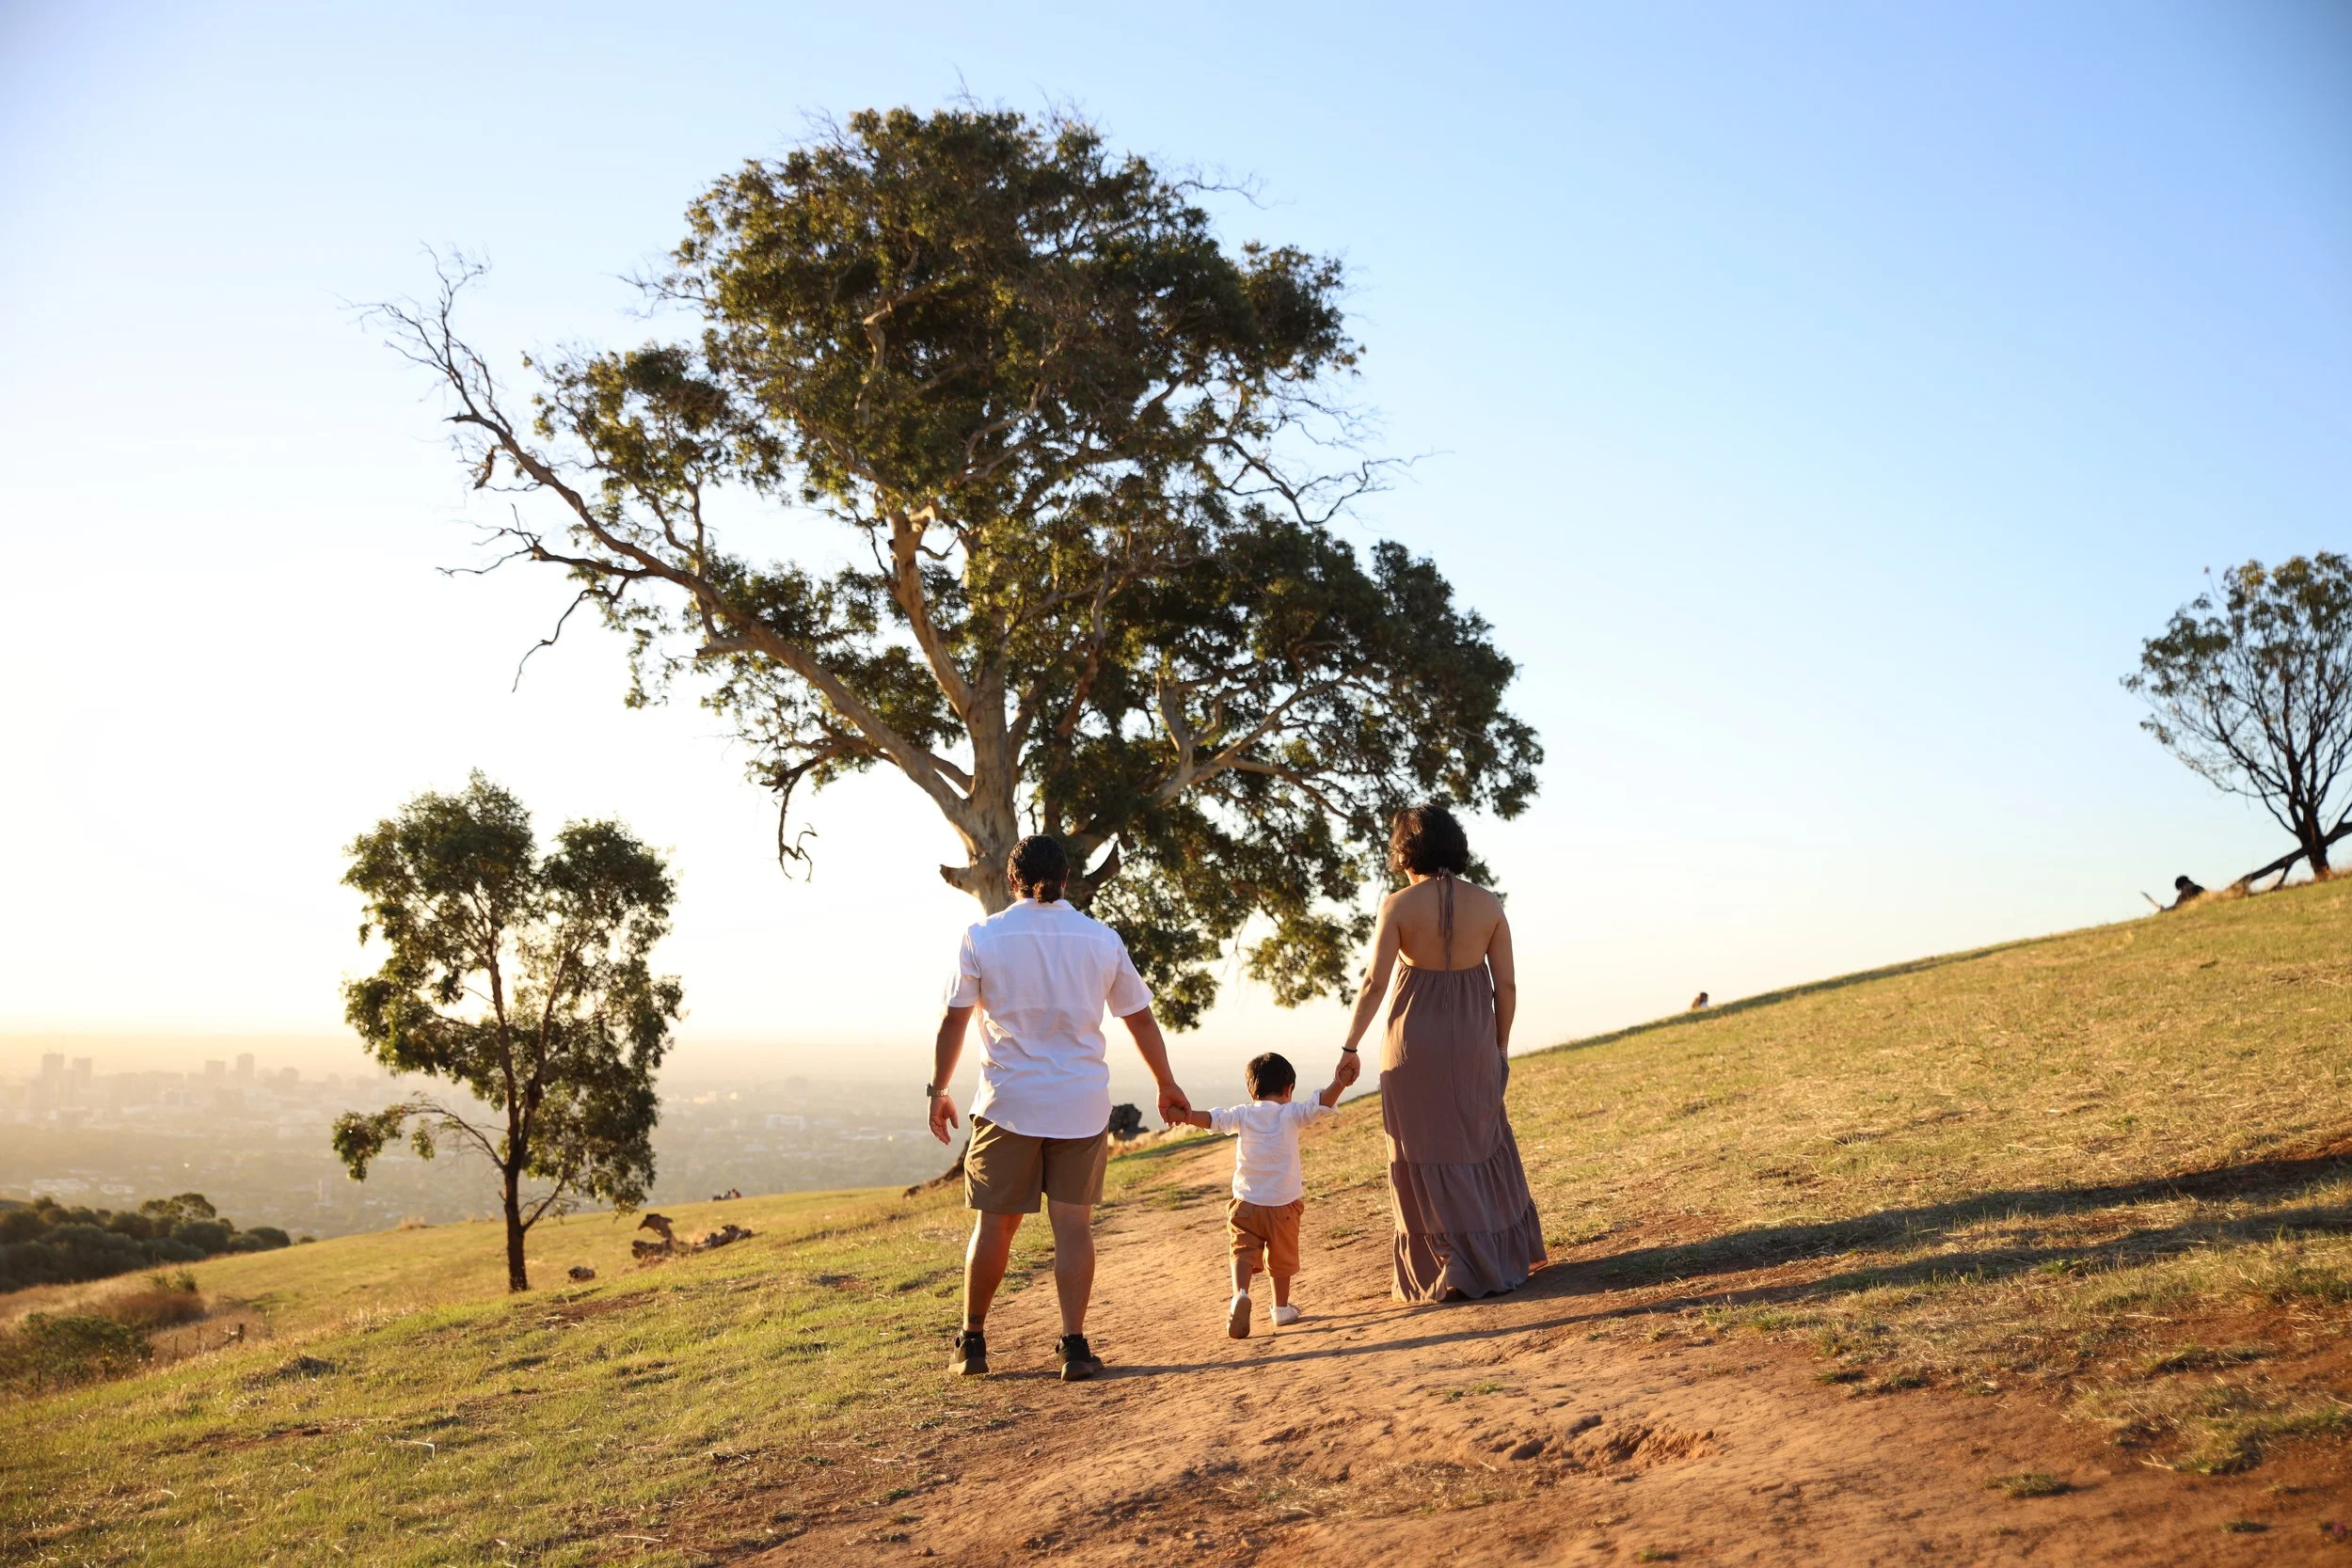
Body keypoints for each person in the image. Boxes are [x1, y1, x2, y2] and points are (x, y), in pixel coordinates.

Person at [927, 834, 1192, 1381]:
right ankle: (1073, 1346)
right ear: (1067, 879)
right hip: (1080, 1105)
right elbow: (1139, 1017)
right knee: (1072, 1226)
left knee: (994, 1227)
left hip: (1008, 1106)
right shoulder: (1099, 938)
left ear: (1010, 880)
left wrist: (938, 1089)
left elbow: (955, 1019)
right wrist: (1166, 1084)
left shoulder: (983, 935)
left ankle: (972, 1341)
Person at [1335, 803, 1545, 1302]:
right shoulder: (1489, 905)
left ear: (1406, 851)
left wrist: (1350, 1045)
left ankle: (1444, 1264)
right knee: (1478, 1139)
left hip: (1410, 1045)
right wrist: (1500, 1045)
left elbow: (1373, 983)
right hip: (1474, 1039)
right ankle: (1491, 1259)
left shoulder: (1398, 906)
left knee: (1419, 1151)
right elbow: (1507, 986)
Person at [1173, 1051, 1343, 1338]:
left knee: (1242, 1250)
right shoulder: (1291, 1113)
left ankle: (1240, 1294)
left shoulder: (1242, 1113)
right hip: (1283, 1205)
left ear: (1251, 1090)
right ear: (1289, 1090)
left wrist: (1186, 1116)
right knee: (1281, 1259)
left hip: (1246, 1204)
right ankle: (1280, 1308)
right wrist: (1340, 1082)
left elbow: (1212, 1120)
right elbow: (1320, 1104)